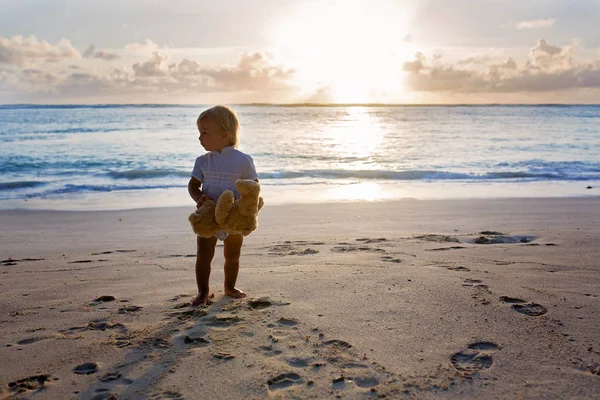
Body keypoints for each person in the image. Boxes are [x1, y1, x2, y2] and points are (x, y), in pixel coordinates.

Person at [187, 105, 258, 307]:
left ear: (225, 135)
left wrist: (246, 208)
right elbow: (193, 185)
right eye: (199, 133)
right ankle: (203, 291)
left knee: (232, 256)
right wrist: (199, 197)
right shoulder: (202, 161)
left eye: (205, 133)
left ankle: (229, 287)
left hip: (232, 216)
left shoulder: (243, 160)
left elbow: (253, 187)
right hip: (208, 216)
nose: (200, 138)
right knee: (203, 255)